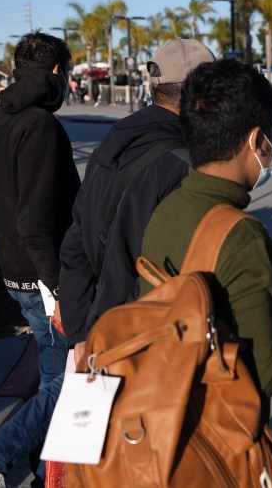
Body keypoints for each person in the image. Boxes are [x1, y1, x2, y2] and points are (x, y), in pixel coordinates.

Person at [140, 59, 272, 419]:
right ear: (255, 140)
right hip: (218, 437)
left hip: (166, 412)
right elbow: (261, 377)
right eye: (269, 136)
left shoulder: (167, 208)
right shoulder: (242, 236)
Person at [0, 32, 80, 488]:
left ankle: (47, 473)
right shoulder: (41, 126)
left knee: (53, 375)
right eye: (66, 73)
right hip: (43, 276)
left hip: (15, 269)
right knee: (67, 382)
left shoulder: (1, 116)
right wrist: (60, 288)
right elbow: (36, 218)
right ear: (56, 72)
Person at [58, 38, 214, 359]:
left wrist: (79, 333)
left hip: (101, 323)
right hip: (149, 335)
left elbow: (76, 240)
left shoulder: (112, 145)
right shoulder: (185, 164)